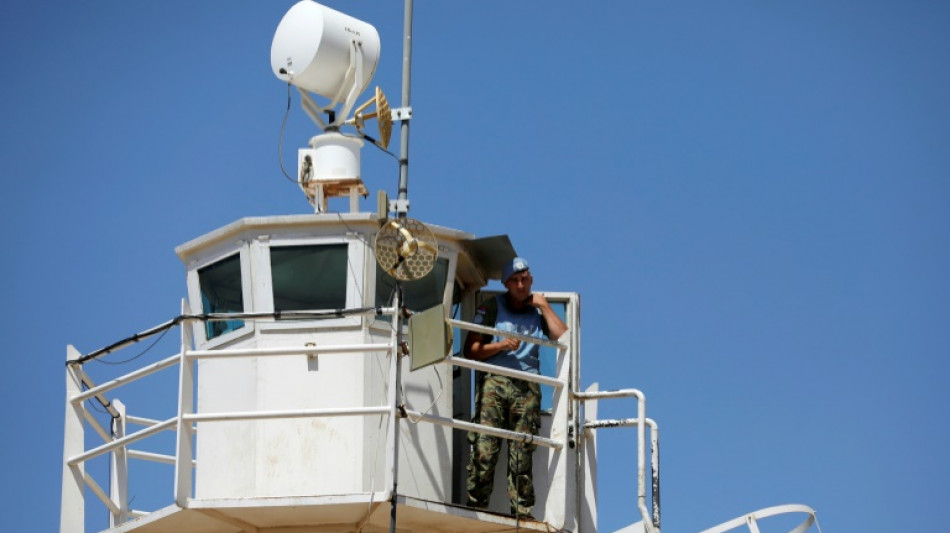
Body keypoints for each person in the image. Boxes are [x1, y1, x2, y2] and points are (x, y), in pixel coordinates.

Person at [464, 257, 568, 518]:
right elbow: (471, 350)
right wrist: (499, 346)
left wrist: (543, 304)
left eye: (525, 279)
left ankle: (521, 512)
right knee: (485, 450)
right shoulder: (491, 308)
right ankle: (476, 508)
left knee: (521, 453)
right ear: (506, 284)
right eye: (515, 280)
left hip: (527, 386)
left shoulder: (536, 311)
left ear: (531, 280)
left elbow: (562, 335)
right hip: (495, 382)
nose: (521, 285)